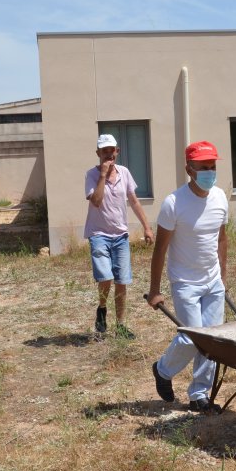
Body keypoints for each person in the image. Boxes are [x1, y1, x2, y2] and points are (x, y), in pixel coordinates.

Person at [146, 140, 228, 413]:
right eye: (203, 167)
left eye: (212, 166)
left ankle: (199, 395)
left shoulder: (220, 198)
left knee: (213, 340)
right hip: (185, 282)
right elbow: (160, 249)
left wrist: (222, 279)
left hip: (212, 280)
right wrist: (155, 289)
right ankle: (163, 369)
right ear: (189, 169)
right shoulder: (174, 203)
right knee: (192, 338)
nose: (209, 172)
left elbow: (221, 240)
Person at [85, 134, 155, 338]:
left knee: (122, 281)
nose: (108, 154)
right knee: (105, 277)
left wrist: (147, 227)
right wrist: (103, 176)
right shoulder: (91, 175)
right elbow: (96, 201)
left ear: (117, 151)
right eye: (104, 150)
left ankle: (121, 326)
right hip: (98, 234)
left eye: (111, 150)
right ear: (98, 153)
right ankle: (102, 308)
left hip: (120, 236)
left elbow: (134, 201)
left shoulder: (124, 172)